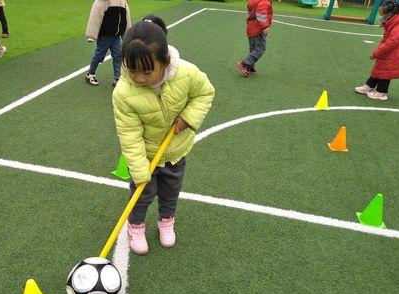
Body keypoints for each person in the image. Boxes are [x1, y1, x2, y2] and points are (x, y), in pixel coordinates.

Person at [112, 17, 215, 255]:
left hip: (176, 151)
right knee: (142, 194)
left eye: (147, 72)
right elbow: (129, 134)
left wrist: (187, 118)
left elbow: (205, 93)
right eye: (132, 70)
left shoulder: (186, 73)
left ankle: (166, 221)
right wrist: (139, 171)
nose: (139, 78)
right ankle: (135, 225)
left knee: (171, 191)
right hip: (145, 156)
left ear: (165, 61)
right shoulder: (124, 92)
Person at [355, 0, 399, 101]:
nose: (381, 16)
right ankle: (369, 86)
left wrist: (375, 53)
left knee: (387, 70)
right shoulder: (395, 20)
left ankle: (382, 92)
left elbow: (390, 43)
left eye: (382, 14)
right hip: (395, 50)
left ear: (390, 14)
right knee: (380, 67)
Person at [85, 0, 131, 87]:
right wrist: (91, 35)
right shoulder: (104, 1)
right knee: (99, 55)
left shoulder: (123, 2)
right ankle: (90, 74)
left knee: (118, 56)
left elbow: (126, 18)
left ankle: (117, 78)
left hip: (116, 36)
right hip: (105, 35)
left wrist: (127, 35)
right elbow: (96, 15)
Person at [236, 0, 273, 77]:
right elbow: (260, 13)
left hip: (251, 28)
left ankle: (250, 67)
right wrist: (265, 26)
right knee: (260, 49)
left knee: (253, 49)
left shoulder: (256, 1)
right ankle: (244, 64)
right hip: (258, 30)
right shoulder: (265, 2)